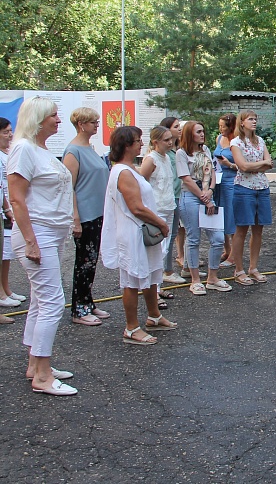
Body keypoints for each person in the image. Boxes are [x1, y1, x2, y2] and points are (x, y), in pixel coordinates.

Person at [7, 97, 76, 395]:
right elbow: (17, 199)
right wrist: (32, 242)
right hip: (38, 235)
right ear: (38, 119)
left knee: (40, 300)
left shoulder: (40, 150)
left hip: (50, 234)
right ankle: (43, 376)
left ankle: (35, 364)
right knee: (51, 302)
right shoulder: (23, 149)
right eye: (53, 116)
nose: (58, 121)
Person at [102, 126, 176, 345]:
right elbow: (136, 207)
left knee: (152, 273)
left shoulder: (130, 168)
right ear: (126, 146)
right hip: (133, 232)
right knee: (132, 280)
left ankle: (154, 315)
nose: (141, 144)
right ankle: (131, 327)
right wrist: (160, 222)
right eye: (137, 141)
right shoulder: (122, 172)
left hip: (142, 230)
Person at [62, 107, 110, 326]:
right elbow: (68, 187)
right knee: (84, 262)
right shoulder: (73, 151)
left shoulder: (89, 149)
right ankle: (79, 309)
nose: (97, 125)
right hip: (85, 214)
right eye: (93, 122)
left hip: (97, 213)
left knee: (91, 262)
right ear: (82, 124)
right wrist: (75, 218)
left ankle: (87, 302)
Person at [176, 120, 230, 295]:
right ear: (189, 134)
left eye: (203, 131)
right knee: (194, 238)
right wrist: (203, 196)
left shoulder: (205, 149)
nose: (202, 134)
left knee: (218, 238)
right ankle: (195, 280)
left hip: (208, 194)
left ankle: (212, 278)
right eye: (198, 131)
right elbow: (186, 178)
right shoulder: (181, 153)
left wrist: (211, 191)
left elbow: (213, 172)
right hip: (191, 196)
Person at [230, 110, 273, 285]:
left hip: (262, 187)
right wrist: (259, 164)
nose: (254, 122)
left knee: (258, 229)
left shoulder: (260, 140)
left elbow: (269, 163)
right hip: (244, 188)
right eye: (250, 119)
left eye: (255, 118)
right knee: (241, 229)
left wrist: (256, 165)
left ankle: (253, 267)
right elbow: (242, 166)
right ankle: (238, 270)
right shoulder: (236, 142)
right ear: (242, 122)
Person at [139, 126, 176, 309]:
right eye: (166, 140)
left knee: (164, 248)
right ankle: (152, 291)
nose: (170, 142)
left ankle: (157, 286)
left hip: (168, 207)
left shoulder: (167, 157)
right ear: (155, 142)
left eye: (171, 139)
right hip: (156, 210)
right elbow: (141, 183)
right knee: (156, 250)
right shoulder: (151, 159)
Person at [0, 117, 25, 320]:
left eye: (10, 131)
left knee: (5, 254)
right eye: (6, 131)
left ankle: (5, 289)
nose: (10, 135)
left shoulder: (5, 155)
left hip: (4, 210)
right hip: (5, 210)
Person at [159, 116, 187, 287]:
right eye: (176, 126)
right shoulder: (164, 155)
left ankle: (168, 267)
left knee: (174, 233)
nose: (180, 129)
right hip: (168, 199)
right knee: (168, 235)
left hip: (177, 196)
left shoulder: (177, 150)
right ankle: (166, 270)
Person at [213, 113, 238, 267]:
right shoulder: (218, 138)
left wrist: (229, 164)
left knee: (231, 216)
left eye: (223, 126)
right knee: (220, 215)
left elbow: (242, 165)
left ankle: (234, 255)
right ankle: (226, 249)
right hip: (218, 181)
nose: (221, 129)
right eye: (219, 125)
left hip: (232, 180)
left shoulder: (236, 141)